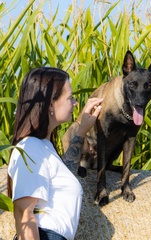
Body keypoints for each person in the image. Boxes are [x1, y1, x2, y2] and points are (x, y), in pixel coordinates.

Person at [7, 67, 103, 240]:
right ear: (51, 103)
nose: (75, 103)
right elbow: (24, 214)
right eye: (70, 98)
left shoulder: (44, 147)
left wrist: (81, 131)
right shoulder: (30, 147)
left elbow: (63, 176)